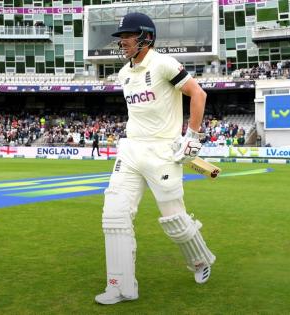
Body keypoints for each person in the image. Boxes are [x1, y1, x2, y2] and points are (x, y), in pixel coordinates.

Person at [95, 12, 216, 305]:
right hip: (131, 150)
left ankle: (200, 260)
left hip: (162, 153)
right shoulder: (124, 74)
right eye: (121, 37)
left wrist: (193, 138)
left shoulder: (164, 64)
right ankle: (121, 286)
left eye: (128, 36)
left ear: (146, 37)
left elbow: (198, 94)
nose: (122, 42)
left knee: (174, 218)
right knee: (114, 215)